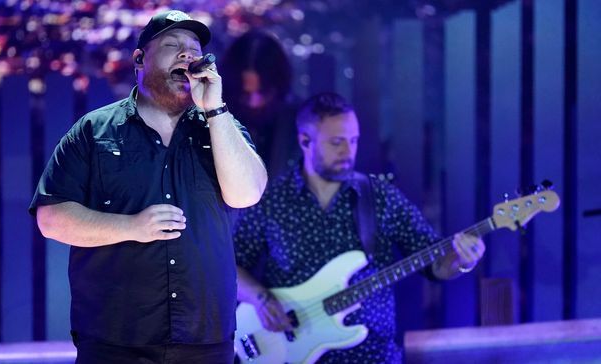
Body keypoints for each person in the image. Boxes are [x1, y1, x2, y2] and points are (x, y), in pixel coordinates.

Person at [29, 10, 267, 364]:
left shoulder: (220, 126)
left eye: (194, 48)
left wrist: (215, 110)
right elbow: (51, 219)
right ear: (140, 58)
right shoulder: (93, 131)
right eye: (173, 45)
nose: (188, 54)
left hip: (205, 338)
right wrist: (131, 227)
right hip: (116, 340)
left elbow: (247, 194)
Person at [233, 92, 485, 363]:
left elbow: (433, 262)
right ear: (305, 141)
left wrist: (460, 260)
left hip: (373, 355)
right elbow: (228, 266)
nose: (348, 152)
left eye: (353, 141)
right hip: (290, 351)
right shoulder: (272, 200)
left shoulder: (381, 197)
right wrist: (260, 299)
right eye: (337, 142)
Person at [220, 29, 300, 178]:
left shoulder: (299, 123)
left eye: (262, 93)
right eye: (245, 94)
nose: (253, 102)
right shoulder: (214, 118)